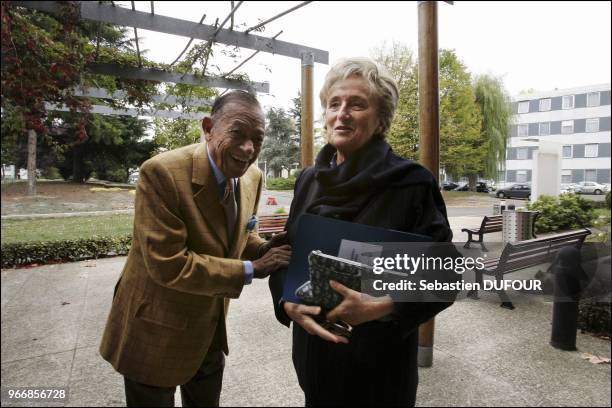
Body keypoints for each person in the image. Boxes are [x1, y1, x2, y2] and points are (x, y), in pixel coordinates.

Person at [269, 58, 456, 406]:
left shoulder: (412, 183)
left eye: (357, 104)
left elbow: (445, 275)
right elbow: (285, 254)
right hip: (315, 361)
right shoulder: (308, 180)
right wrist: (286, 300)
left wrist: (381, 306)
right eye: (334, 104)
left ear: (381, 120)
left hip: (379, 372)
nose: (342, 114)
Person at [100, 91, 291, 407]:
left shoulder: (252, 177)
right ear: (208, 128)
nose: (248, 148)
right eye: (238, 133)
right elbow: (168, 263)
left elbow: (240, 239)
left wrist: (265, 249)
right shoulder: (161, 173)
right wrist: (252, 269)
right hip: (155, 330)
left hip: (208, 330)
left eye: (257, 139)